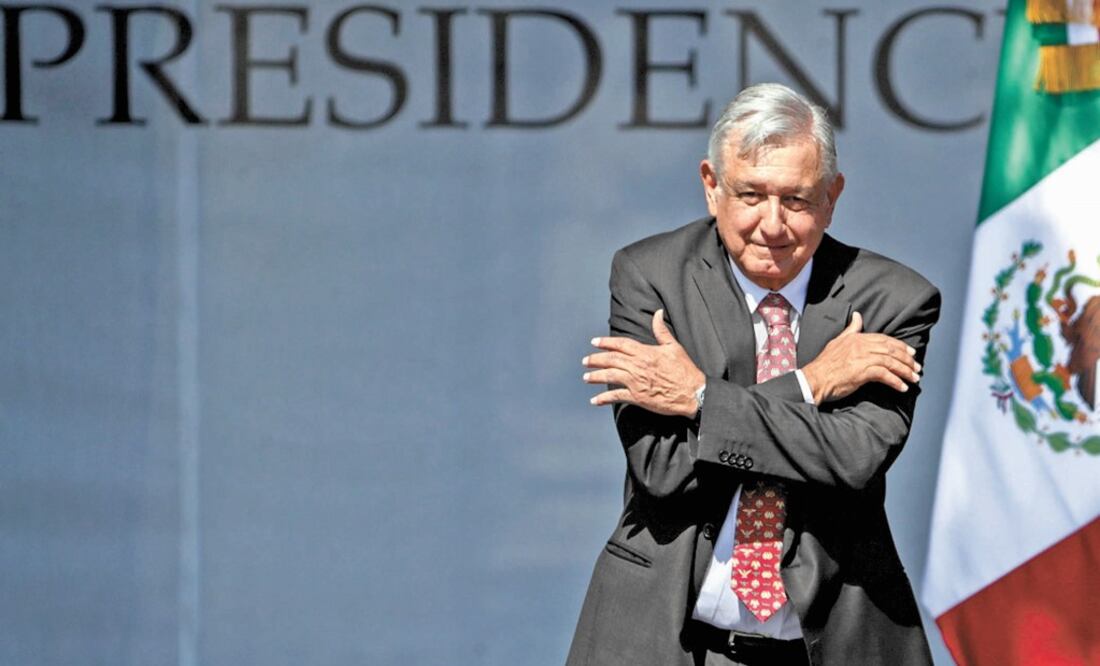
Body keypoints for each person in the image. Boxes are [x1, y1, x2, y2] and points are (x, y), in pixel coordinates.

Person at [567, 83, 940, 666]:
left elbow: (852, 458)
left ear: (832, 196)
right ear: (712, 186)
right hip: (666, 639)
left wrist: (697, 400)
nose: (772, 224)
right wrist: (810, 385)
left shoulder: (892, 300)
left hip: (830, 644)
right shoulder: (652, 277)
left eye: (796, 199)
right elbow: (664, 470)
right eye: (751, 195)